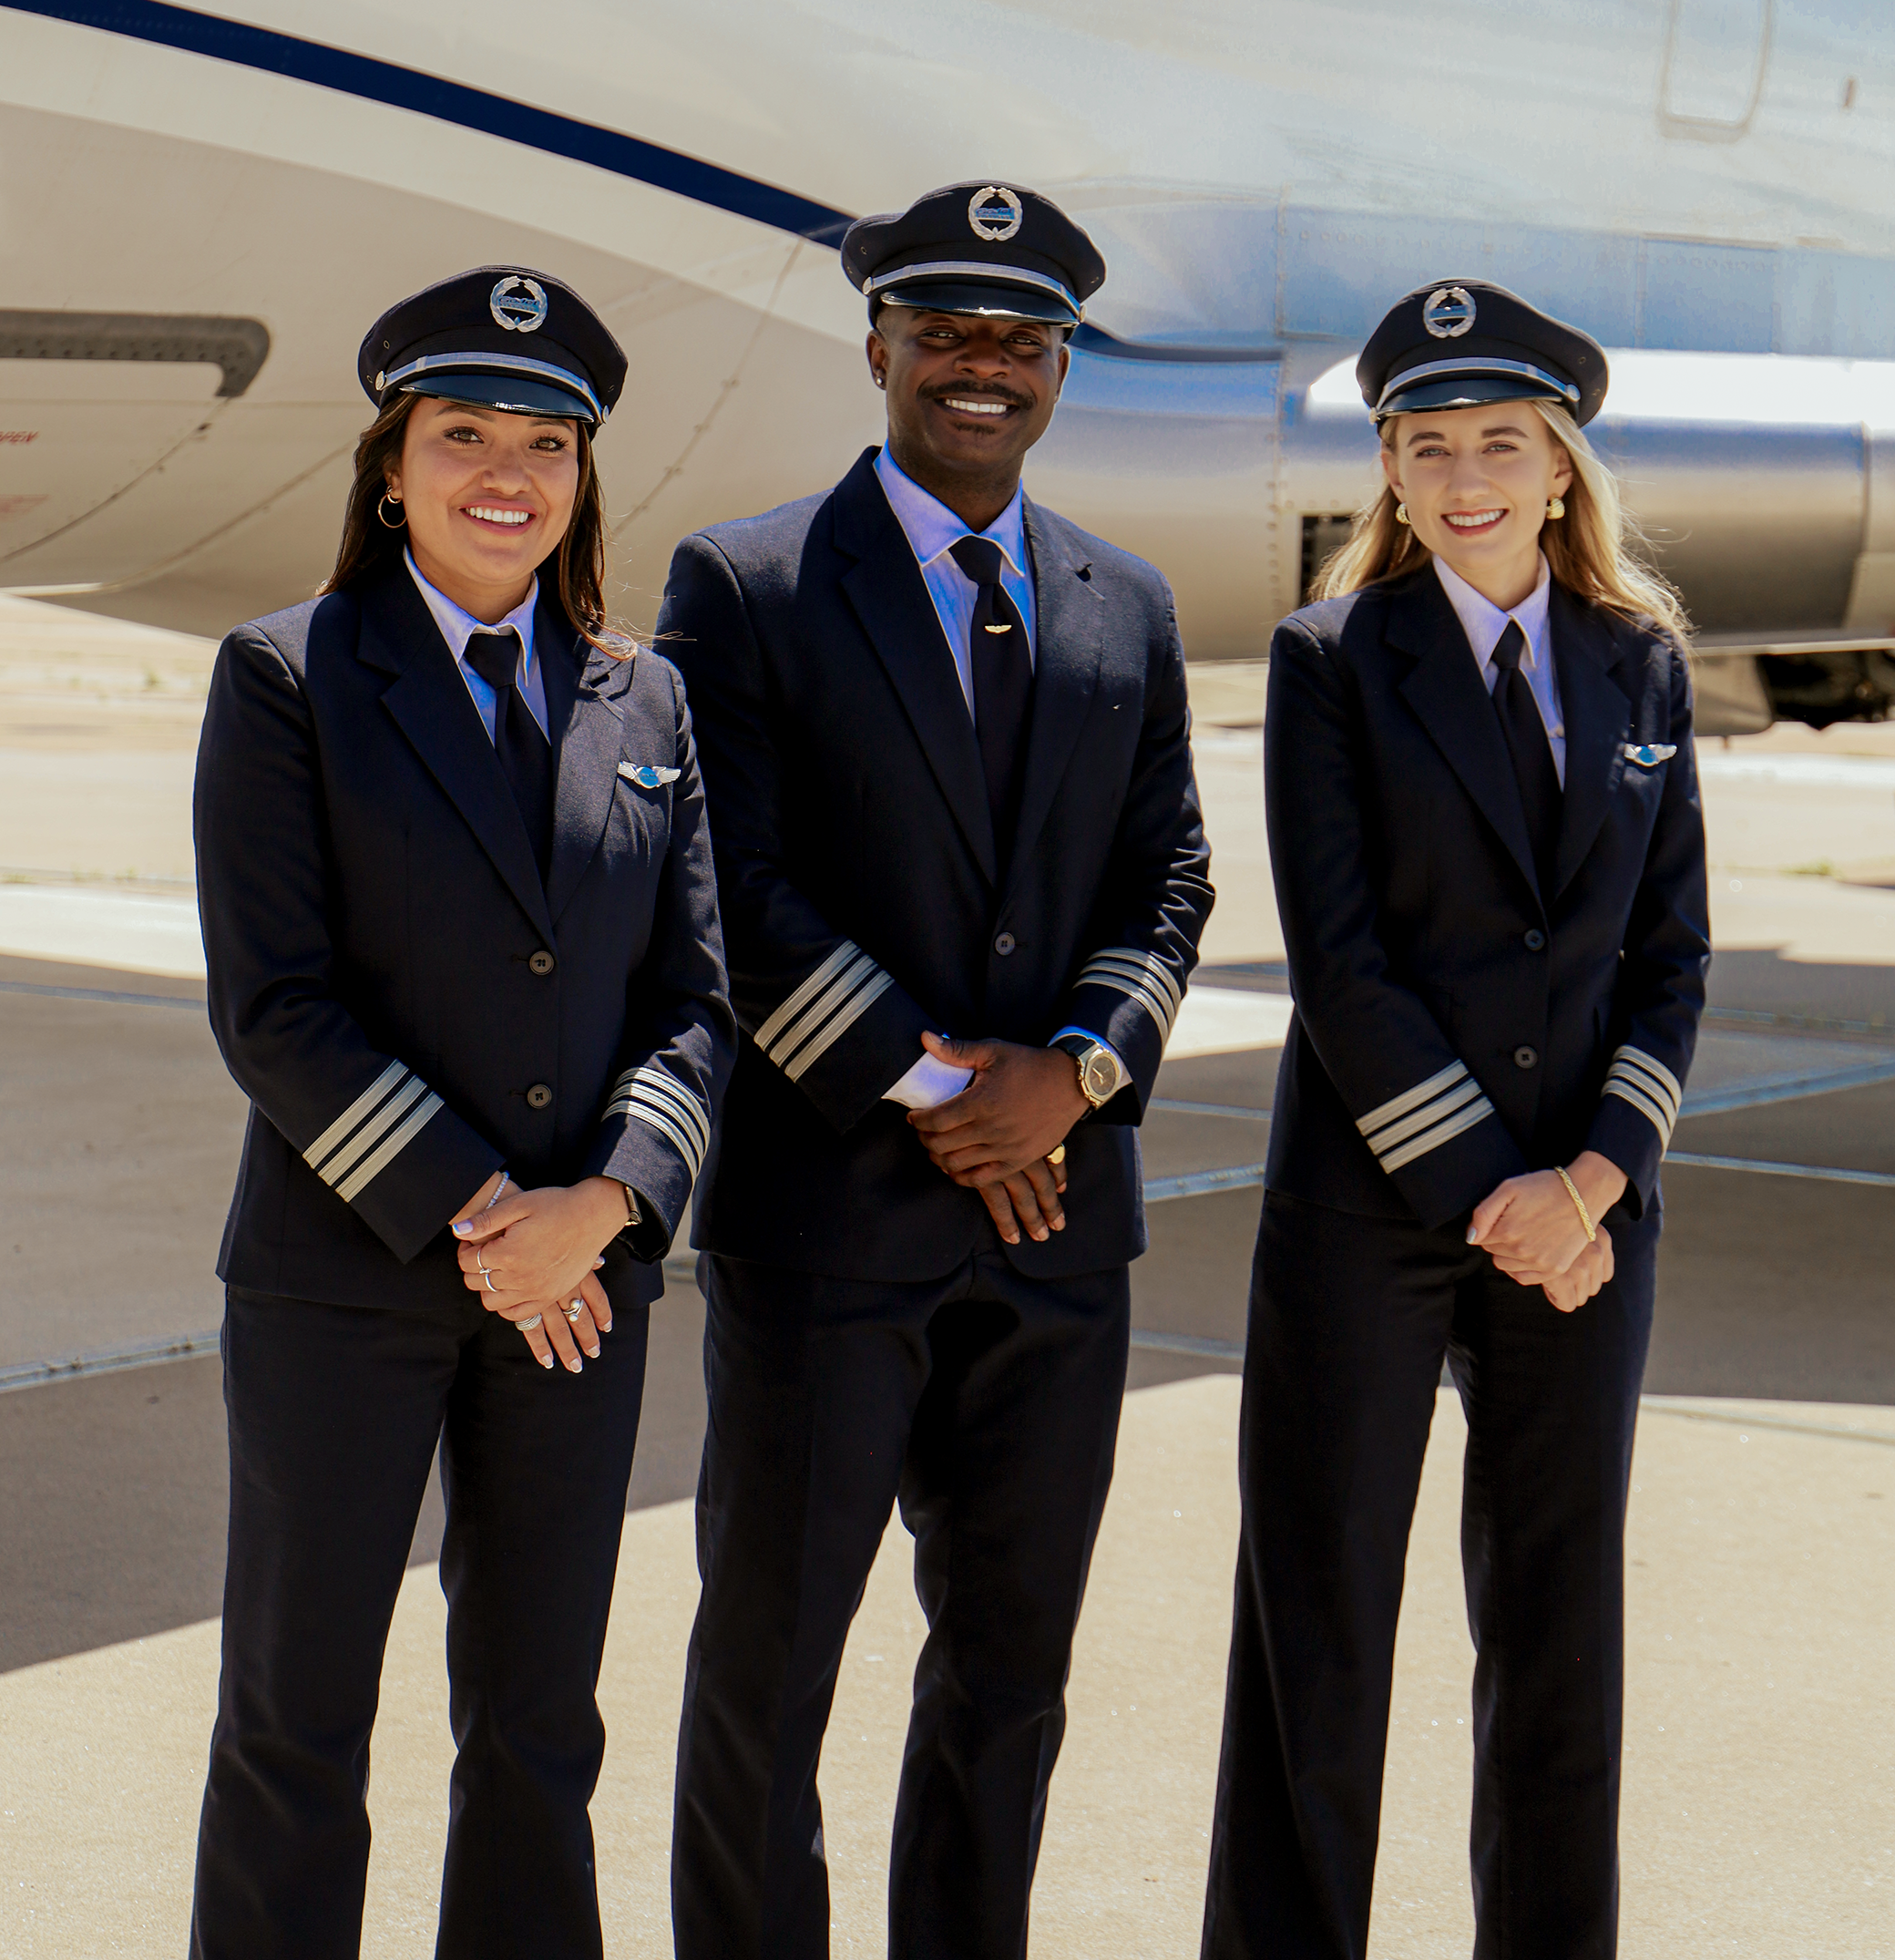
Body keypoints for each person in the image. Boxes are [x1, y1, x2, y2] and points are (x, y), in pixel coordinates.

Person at [661, 180, 1214, 1960]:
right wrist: (931, 1087)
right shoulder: (744, 584)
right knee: (771, 1672)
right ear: (879, 346)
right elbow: (725, 887)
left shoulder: (1123, 603)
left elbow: (1171, 879)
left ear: (1058, 367)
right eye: (946, 333)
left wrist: (1071, 1073)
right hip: (830, 1218)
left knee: (1008, 1678)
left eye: (1020, 341)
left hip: (1059, 1239)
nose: (983, 369)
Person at [189, 266, 733, 1960]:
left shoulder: (642, 697)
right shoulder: (292, 676)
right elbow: (275, 1009)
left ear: (583, 474)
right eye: (464, 434)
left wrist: (614, 1202)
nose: (508, 472)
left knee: (536, 1726)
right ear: (392, 464)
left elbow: (697, 1003)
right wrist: (493, 1218)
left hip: (579, 1293)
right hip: (349, 1280)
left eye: (545, 443)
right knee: (298, 1719)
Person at [1200, 279, 1709, 1960]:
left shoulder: (1640, 663)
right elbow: (1340, 963)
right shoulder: (1335, 659)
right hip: (1375, 1209)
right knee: (1317, 1637)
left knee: (1564, 1633)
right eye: (1430, 445)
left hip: (1582, 1215)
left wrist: (1596, 1175)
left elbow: (1672, 952)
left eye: (1502, 441)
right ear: (1393, 478)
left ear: (1561, 467)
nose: (1467, 473)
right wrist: (1503, 1192)